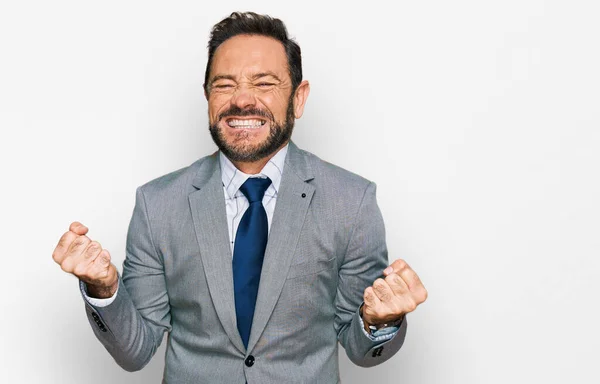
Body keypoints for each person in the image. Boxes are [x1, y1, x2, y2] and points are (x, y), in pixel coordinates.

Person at [52, 12, 427, 383]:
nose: (242, 100)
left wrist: (379, 321)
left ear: (298, 98)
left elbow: (362, 350)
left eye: (264, 83)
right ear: (207, 97)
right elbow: (136, 351)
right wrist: (104, 289)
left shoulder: (352, 201)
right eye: (225, 85)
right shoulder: (157, 204)